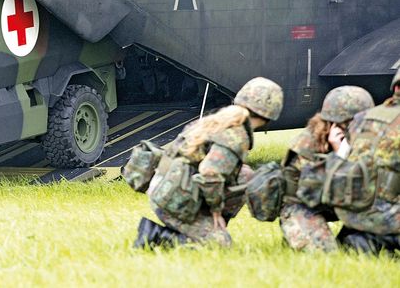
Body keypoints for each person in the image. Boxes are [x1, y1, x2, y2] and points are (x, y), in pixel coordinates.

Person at [134, 77, 284, 249]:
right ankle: (155, 236)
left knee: (245, 174)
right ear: (270, 113)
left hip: (167, 187)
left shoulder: (219, 119)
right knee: (220, 244)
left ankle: (202, 224)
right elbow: (210, 173)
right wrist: (216, 211)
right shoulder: (236, 135)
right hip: (171, 198)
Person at [279, 86, 374, 252]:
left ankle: (349, 238)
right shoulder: (307, 145)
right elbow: (313, 191)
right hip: (303, 206)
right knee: (323, 252)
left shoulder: (362, 138)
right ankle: (295, 233)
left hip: (340, 200)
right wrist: (339, 155)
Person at [334, 70, 400, 254]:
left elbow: (340, 161)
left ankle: (362, 240)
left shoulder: (361, 118)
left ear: (395, 87)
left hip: (350, 212)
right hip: (386, 216)